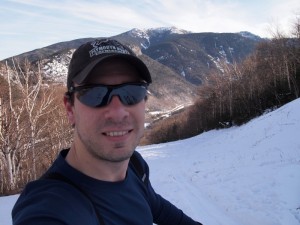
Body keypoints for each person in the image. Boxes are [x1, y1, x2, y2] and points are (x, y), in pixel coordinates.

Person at [12, 38, 202, 225]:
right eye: (95, 93)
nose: (118, 113)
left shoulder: (134, 166)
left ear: (144, 100)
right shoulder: (52, 206)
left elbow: (156, 206)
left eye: (132, 92)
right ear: (70, 109)